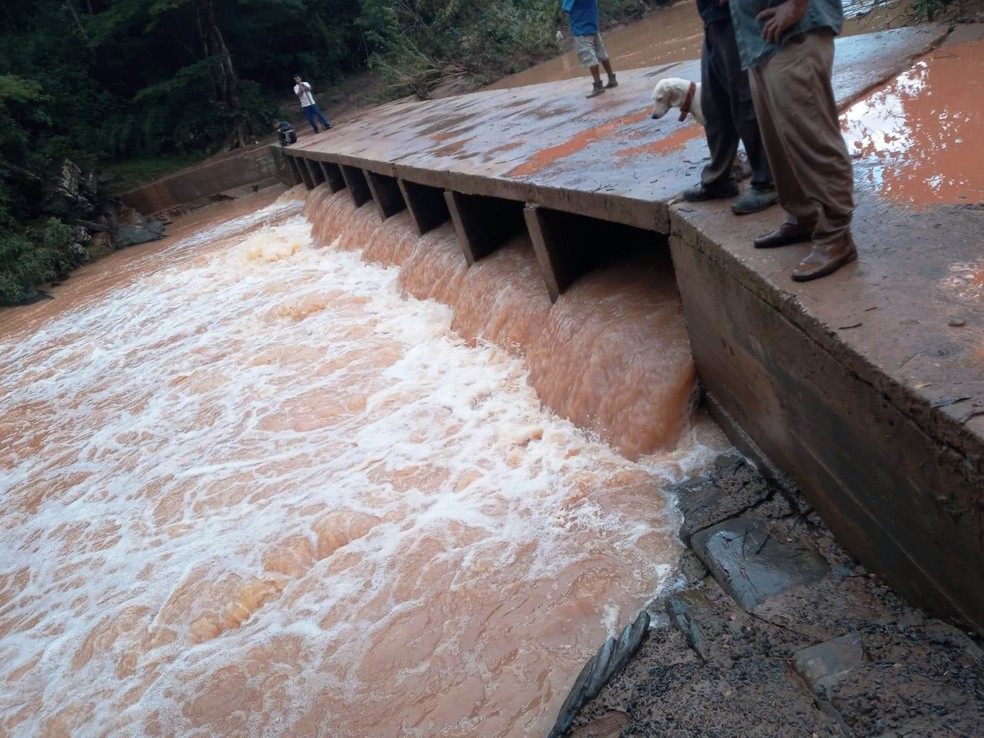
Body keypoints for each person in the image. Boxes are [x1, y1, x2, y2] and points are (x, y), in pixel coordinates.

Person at [730, 0, 857, 281]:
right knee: (780, 143)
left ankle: (837, 235)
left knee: (811, 138)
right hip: (760, 40)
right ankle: (804, 218)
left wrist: (797, 4)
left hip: (795, 30)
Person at [683, 0, 778, 216]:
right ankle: (718, 180)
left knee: (746, 102)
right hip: (712, 21)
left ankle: (767, 182)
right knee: (714, 105)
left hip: (735, 20)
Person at [561, 0, 618, 98]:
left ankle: (598, 86)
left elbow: (564, 9)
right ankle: (611, 79)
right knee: (601, 53)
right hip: (593, 25)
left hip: (581, 28)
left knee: (589, 56)